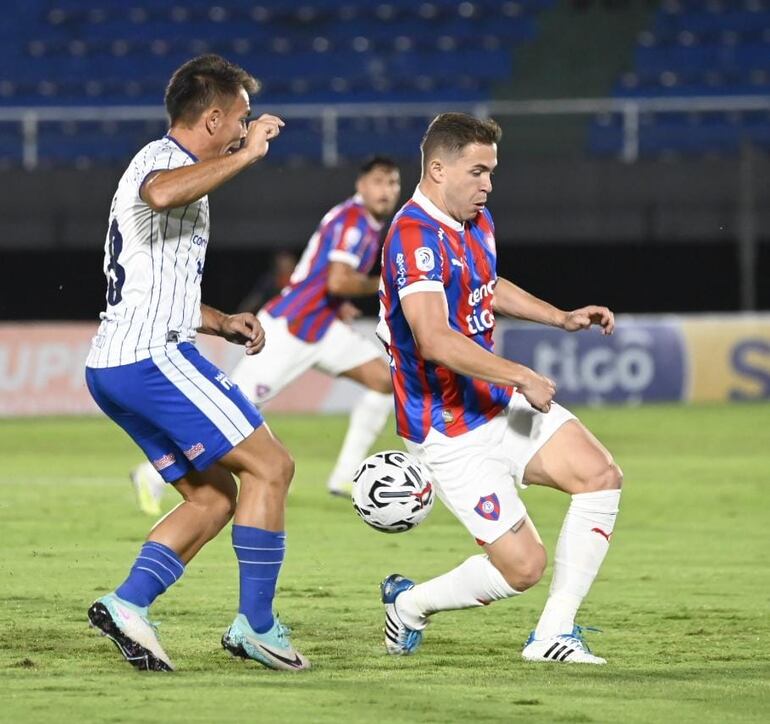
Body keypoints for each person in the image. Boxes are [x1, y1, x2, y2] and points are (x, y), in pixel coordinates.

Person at [84, 54, 309, 672]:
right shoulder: (164, 162)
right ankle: (256, 626)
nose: (245, 128)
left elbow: (153, 276)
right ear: (213, 118)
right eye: (239, 118)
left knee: (212, 499)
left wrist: (219, 321)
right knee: (272, 466)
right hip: (150, 358)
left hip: (117, 362)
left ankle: (129, 605)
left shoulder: (174, 166)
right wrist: (246, 156)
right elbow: (158, 195)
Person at [377, 113, 623, 665]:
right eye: (478, 171)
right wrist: (522, 374)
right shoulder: (413, 236)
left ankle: (553, 633)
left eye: (491, 172)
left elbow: (486, 285)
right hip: (446, 430)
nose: (488, 184)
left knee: (600, 475)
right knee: (523, 568)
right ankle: (410, 605)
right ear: (438, 169)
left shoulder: (475, 220)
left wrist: (559, 317)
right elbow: (435, 338)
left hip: (495, 404)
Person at [130, 155, 401, 513]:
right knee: (229, 413)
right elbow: (339, 279)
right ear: (361, 186)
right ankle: (150, 473)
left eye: (393, 183)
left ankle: (346, 475)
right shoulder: (352, 222)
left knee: (387, 381)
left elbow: (327, 280)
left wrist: (339, 304)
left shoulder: (365, 222)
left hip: (323, 327)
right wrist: (389, 284)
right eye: (379, 182)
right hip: (288, 330)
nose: (387, 191)